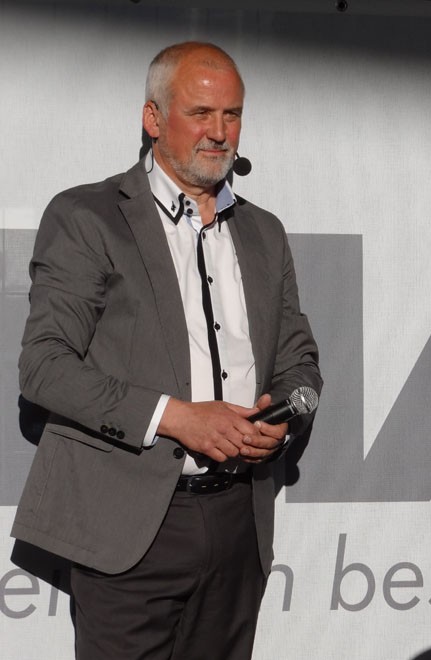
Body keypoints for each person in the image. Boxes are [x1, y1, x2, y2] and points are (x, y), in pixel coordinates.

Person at [11, 42, 321, 659]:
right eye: (200, 113)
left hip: (239, 521)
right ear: (153, 118)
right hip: (128, 524)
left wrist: (282, 418)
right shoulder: (90, 217)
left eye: (232, 114)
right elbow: (44, 367)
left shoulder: (264, 231)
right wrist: (177, 417)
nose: (219, 132)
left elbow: (299, 361)